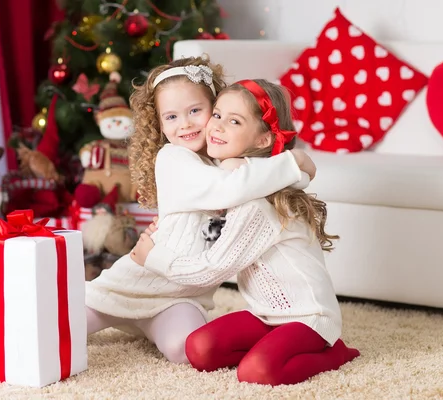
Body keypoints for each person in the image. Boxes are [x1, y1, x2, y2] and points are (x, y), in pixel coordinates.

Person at [84, 58, 317, 365]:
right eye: (171, 117)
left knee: (186, 350)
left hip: (182, 295)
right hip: (132, 286)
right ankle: (87, 303)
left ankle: (148, 327)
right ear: (160, 124)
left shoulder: (224, 162)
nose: (186, 124)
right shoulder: (173, 158)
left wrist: (291, 176)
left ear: (215, 107)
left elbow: (261, 184)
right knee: (59, 326)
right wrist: (294, 162)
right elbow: (229, 189)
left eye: (196, 111)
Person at [130, 79, 360, 384]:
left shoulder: (256, 202)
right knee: (199, 348)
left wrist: (154, 256)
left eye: (234, 121)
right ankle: (272, 346)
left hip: (309, 317)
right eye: (217, 115)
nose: (218, 126)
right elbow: (208, 227)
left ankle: (335, 353)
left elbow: (210, 270)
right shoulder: (237, 182)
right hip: (265, 315)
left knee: (256, 372)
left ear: (264, 140)